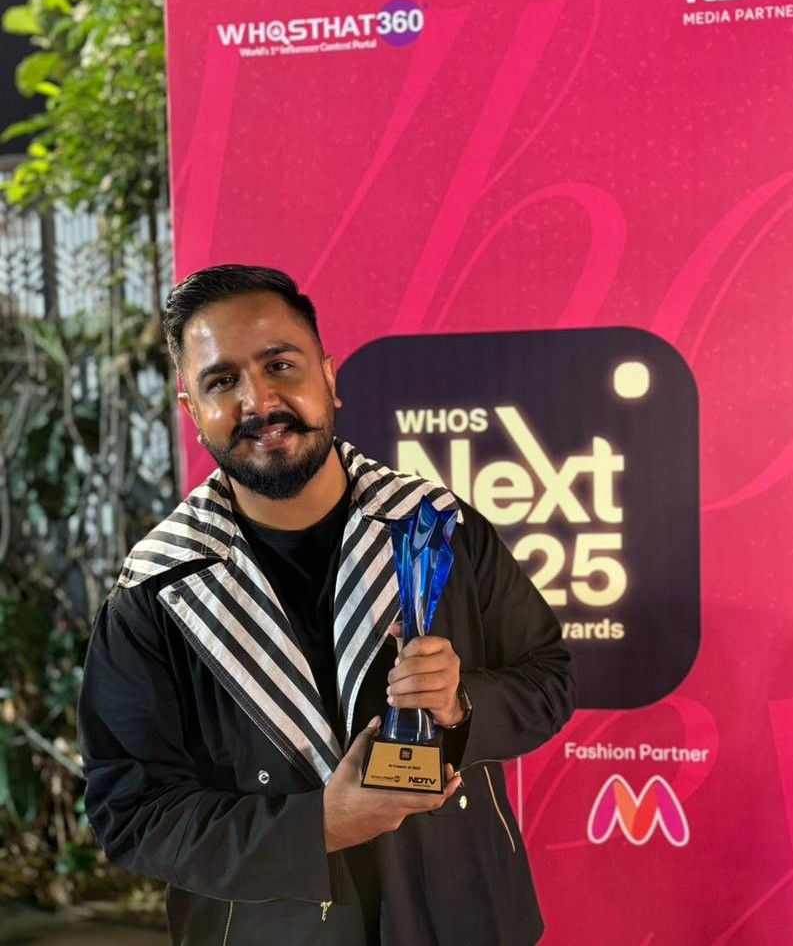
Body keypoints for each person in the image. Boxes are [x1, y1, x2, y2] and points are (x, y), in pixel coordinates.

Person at [77, 265, 576, 946]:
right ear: (192, 412)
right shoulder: (155, 590)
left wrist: (461, 706)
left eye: (280, 365)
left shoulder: (437, 526)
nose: (258, 401)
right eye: (222, 381)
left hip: (462, 914)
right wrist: (318, 828)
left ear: (328, 377)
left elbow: (549, 679)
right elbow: (132, 812)